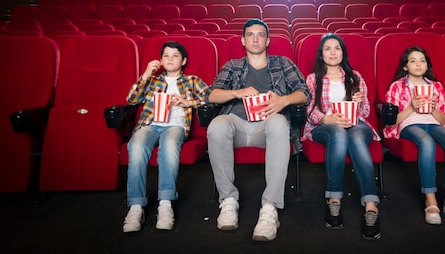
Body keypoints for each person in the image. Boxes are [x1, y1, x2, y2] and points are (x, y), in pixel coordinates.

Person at [205, 18, 311, 242]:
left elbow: (304, 92)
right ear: (243, 40)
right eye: (250, 34)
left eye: (260, 34)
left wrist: (283, 101)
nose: (255, 38)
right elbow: (212, 96)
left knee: (280, 122)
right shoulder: (233, 65)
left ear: (268, 40)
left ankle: (270, 208)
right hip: (237, 124)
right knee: (217, 124)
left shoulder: (282, 63)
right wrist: (237, 92)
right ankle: (228, 201)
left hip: (268, 126)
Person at [122, 40, 210, 233]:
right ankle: (136, 206)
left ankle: (165, 203)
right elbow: (131, 99)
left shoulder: (192, 80)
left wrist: (189, 102)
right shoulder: (152, 81)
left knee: (169, 146)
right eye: (166, 56)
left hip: (176, 126)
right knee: (136, 147)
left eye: (175, 55)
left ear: (184, 60)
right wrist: (145, 75)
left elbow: (211, 97)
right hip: (150, 125)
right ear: (161, 60)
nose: (170, 59)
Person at [301, 33, 382, 240]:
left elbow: (364, 114)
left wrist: (360, 103)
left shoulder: (355, 76)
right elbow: (309, 111)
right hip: (324, 126)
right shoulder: (312, 79)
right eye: (327, 48)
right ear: (321, 54)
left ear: (343, 52)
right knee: (338, 133)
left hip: (355, 124)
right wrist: (329, 119)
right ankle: (334, 199)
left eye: (337, 48)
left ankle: (371, 204)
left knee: (354, 137)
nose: (333, 52)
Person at [384, 46, 445, 225]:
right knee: (426, 142)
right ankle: (431, 201)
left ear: (427, 65)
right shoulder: (397, 86)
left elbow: (444, 118)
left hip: (434, 123)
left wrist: (433, 108)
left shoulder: (436, 86)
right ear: (405, 66)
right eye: (413, 60)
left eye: (422, 60)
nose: (418, 64)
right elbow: (392, 121)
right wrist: (412, 107)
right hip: (409, 124)